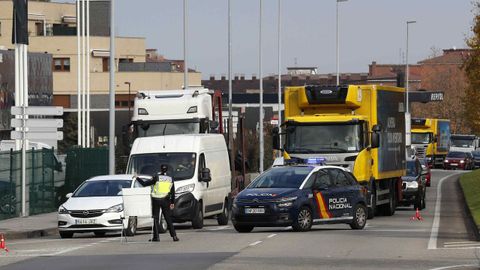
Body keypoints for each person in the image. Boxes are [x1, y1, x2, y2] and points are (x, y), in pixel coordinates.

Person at [136, 164, 179, 242]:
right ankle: (174, 236)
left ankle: (156, 237)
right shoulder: (170, 179)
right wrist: (172, 202)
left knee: (155, 218)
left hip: (156, 199)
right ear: (167, 170)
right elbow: (172, 192)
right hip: (166, 200)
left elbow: (144, 184)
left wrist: (137, 178)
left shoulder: (157, 177)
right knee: (168, 218)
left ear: (161, 169)